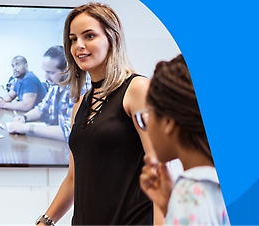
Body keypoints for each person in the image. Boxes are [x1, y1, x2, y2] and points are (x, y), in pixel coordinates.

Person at [35, 3, 158, 225]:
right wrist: (45, 222)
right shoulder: (80, 104)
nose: (79, 46)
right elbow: (74, 179)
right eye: (73, 39)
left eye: (89, 36)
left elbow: (161, 170)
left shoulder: (138, 89)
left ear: (112, 38)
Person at [137, 55, 230, 225]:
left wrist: (179, 205)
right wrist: (168, 207)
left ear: (168, 122)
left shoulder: (189, 197)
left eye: (148, 114)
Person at [7, 45, 75, 142]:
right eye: (45, 71)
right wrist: (24, 118)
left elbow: (69, 132)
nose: (45, 76)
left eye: (50, 72)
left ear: (66, 70)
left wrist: (27, 128)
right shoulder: (55, 87)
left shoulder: (78, 91)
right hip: (56, 146)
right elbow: (41, 109)